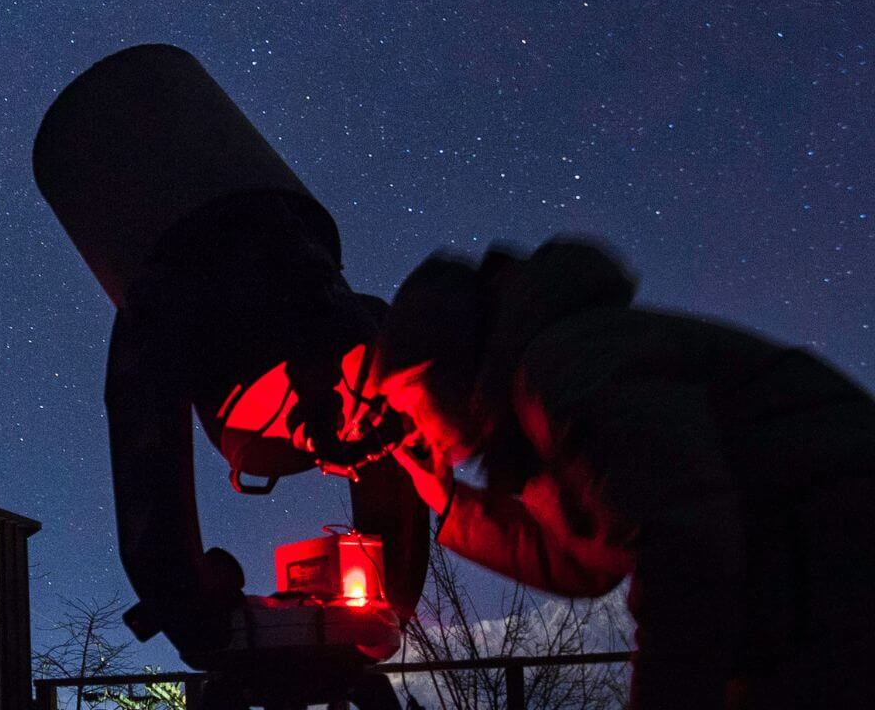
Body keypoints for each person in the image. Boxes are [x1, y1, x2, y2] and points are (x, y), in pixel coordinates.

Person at [367, 237, 875, 710]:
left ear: (442, 373)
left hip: (839, 579)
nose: (414, 428)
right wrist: (449, 500)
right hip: (807, 590)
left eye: (409, 404)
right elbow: (592, 558)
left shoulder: (564, 367)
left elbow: (685, 545)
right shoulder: (546, 389)